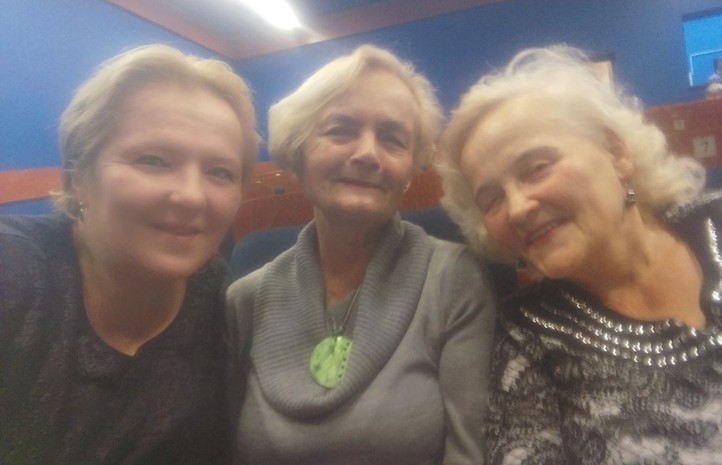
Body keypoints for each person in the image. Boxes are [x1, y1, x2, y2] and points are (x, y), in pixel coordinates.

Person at [439, 47, 722, 464]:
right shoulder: (528, 335)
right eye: (492, 199)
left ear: (616, 153)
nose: (517, 208)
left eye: (537, 167)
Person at [227, 44, 496, 465]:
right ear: (298, 153)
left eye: (392, 139)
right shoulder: (243, 300)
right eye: (341, 130)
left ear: (410, 170)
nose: (368, 153)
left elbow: (471, 454)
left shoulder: (454, 279)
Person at [0, 44, 260, 464]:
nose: (192, 196)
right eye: (153, 161)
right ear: (78, 179)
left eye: (219, 172)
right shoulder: (14, 270)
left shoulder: (218, 297)